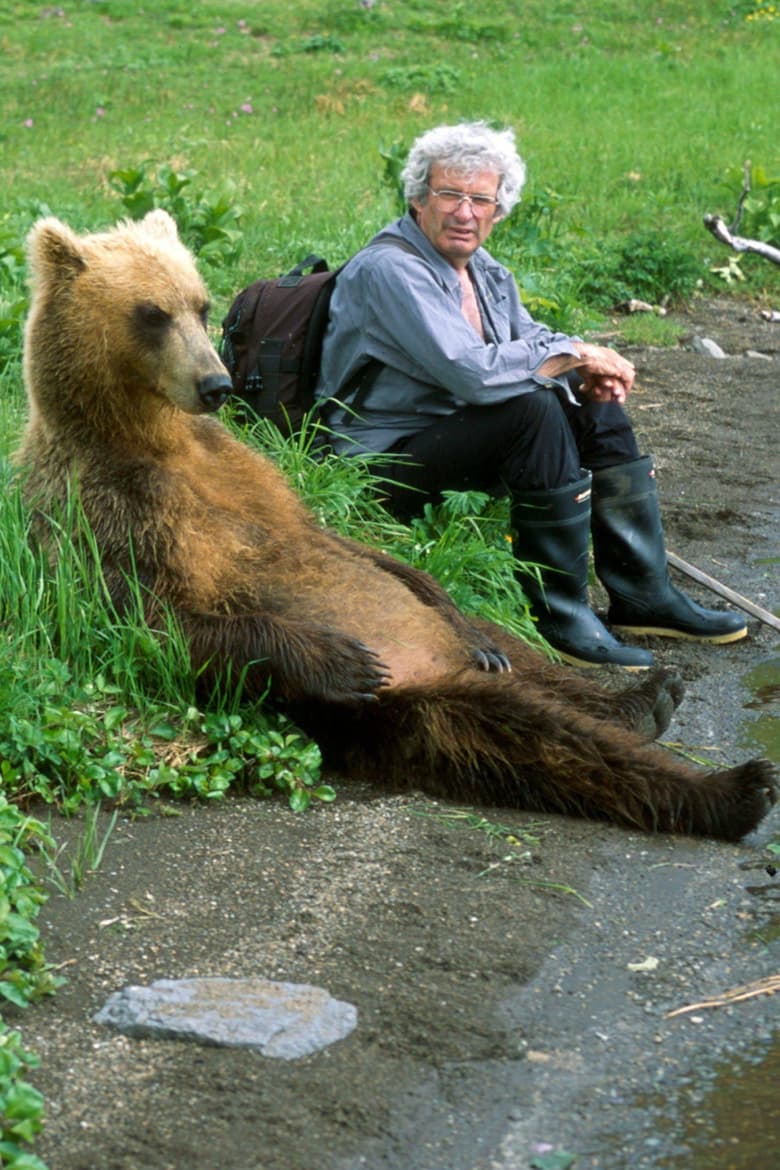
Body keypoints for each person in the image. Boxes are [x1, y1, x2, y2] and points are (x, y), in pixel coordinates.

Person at [315, 121, 747, 669]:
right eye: (450, 195)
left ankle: (645, 595)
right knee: (533, 406)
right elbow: (471, 374)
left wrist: (584, 370)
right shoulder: (391, 270)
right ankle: (561, 616)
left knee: (587, 397)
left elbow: (533, 343)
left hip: (455, 437)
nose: (465, 212)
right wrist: (573, 353)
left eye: (480, 199)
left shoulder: (484, 271)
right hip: (380, 465)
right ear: (419, 198)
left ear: (499, 209)